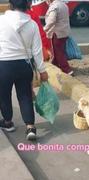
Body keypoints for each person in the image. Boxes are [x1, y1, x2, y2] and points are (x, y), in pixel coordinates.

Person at [0, 0, 48, 140]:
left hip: (4, 65)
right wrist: (42, 70)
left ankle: (8, 122)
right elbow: (37, 51)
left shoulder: (1, 20)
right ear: (27, 4)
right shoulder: (32, 24)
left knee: (4, 95)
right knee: (25, 95)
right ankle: (30, 127)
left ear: (10, 4)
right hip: (24, 65)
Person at [44, 0, 73, 75]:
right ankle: (55, 66)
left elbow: (51, 21)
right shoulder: (63, 5)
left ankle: (67, 70)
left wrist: (44, 29)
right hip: (64, 32)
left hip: (57, 33)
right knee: (58, 51)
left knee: (59, 52)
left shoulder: (54, 7)